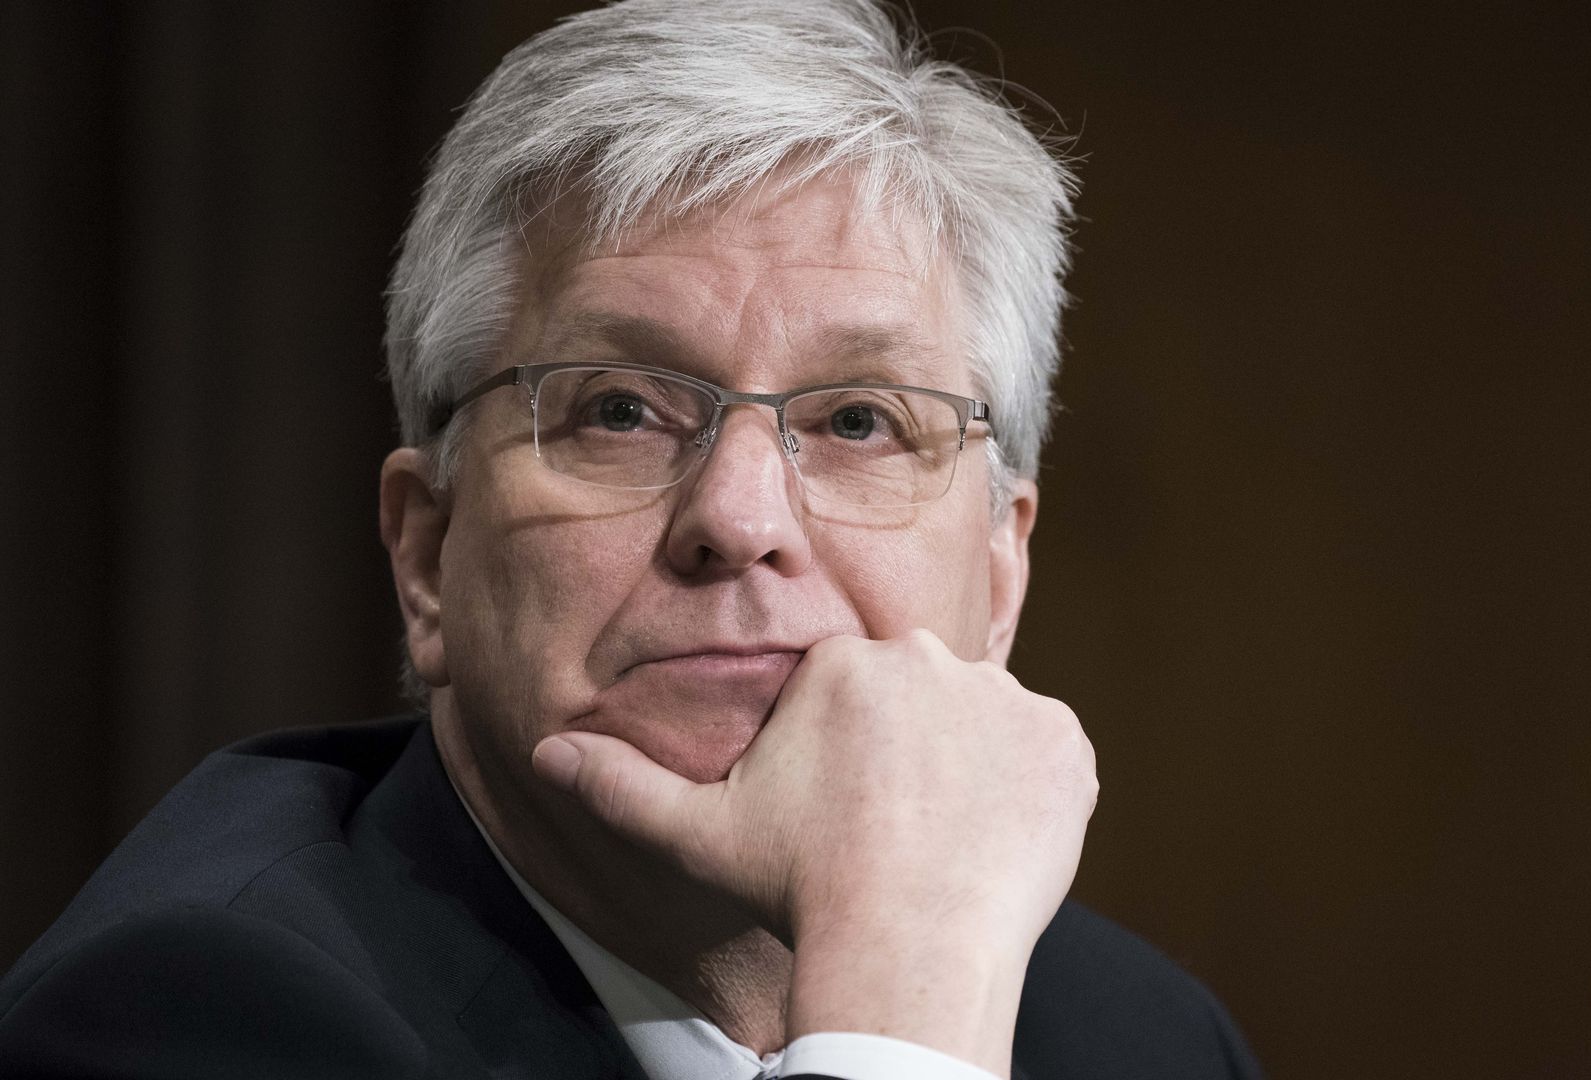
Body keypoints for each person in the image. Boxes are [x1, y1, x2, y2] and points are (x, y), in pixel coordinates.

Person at [0, 2, 1263, 1077]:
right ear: (428, 558)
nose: (740, 519)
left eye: (863, 420)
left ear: (1000, 573)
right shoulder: (200, 1012)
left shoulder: (1137, 1038)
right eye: (620, 411)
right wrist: (899, 1034)